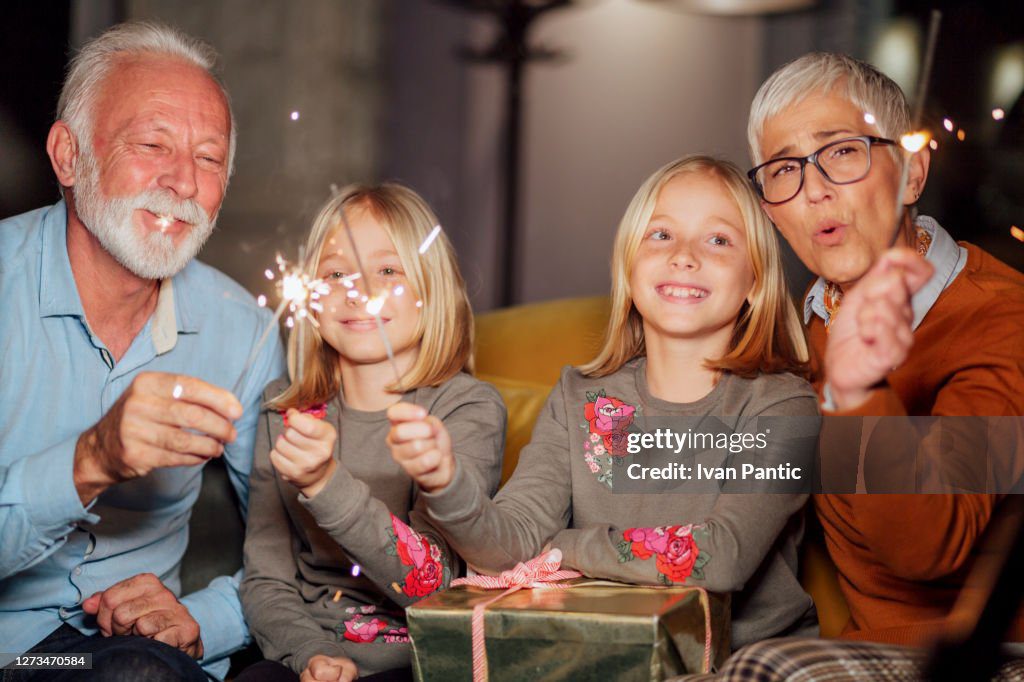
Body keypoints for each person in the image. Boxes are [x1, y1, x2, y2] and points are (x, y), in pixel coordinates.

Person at [388, 156, 822, 652]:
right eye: (661, 234)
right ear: (628, 267)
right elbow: (506, 545)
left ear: (756, 282)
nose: (684, 255)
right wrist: (445, 486)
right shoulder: (580, 398)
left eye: (718, 240)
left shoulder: (783, 405)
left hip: (746, 662)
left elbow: (722, 557)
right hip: (609, 656)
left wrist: (563, 548)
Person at [704, 51, 1024, 679]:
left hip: (992, 654)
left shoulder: (1003, 319)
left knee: (768, 669)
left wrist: (861, 392)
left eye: (843, 152)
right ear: (770, 210)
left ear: (911, 175)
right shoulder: (808, 322)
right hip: (859, 650)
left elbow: (928, 551)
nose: (815, 190)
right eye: (785, 169)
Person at [0, 22, 285, 680]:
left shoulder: (244, 333)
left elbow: (293, 557)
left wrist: (203, 619)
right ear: (69, 156)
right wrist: (90, 459)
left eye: (209, 158)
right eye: (152, 144)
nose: (183, 182)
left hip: (144, 658)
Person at [237, 184, 505, 682]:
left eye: (387, 271)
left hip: (419, 660)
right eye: (336, 274)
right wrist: (310, 653)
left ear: (432, 289)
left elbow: (434, 586)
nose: (357, 290)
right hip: (302, 652)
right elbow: (266, 578)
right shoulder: (286, 410)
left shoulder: (466, 409)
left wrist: (324, 483)